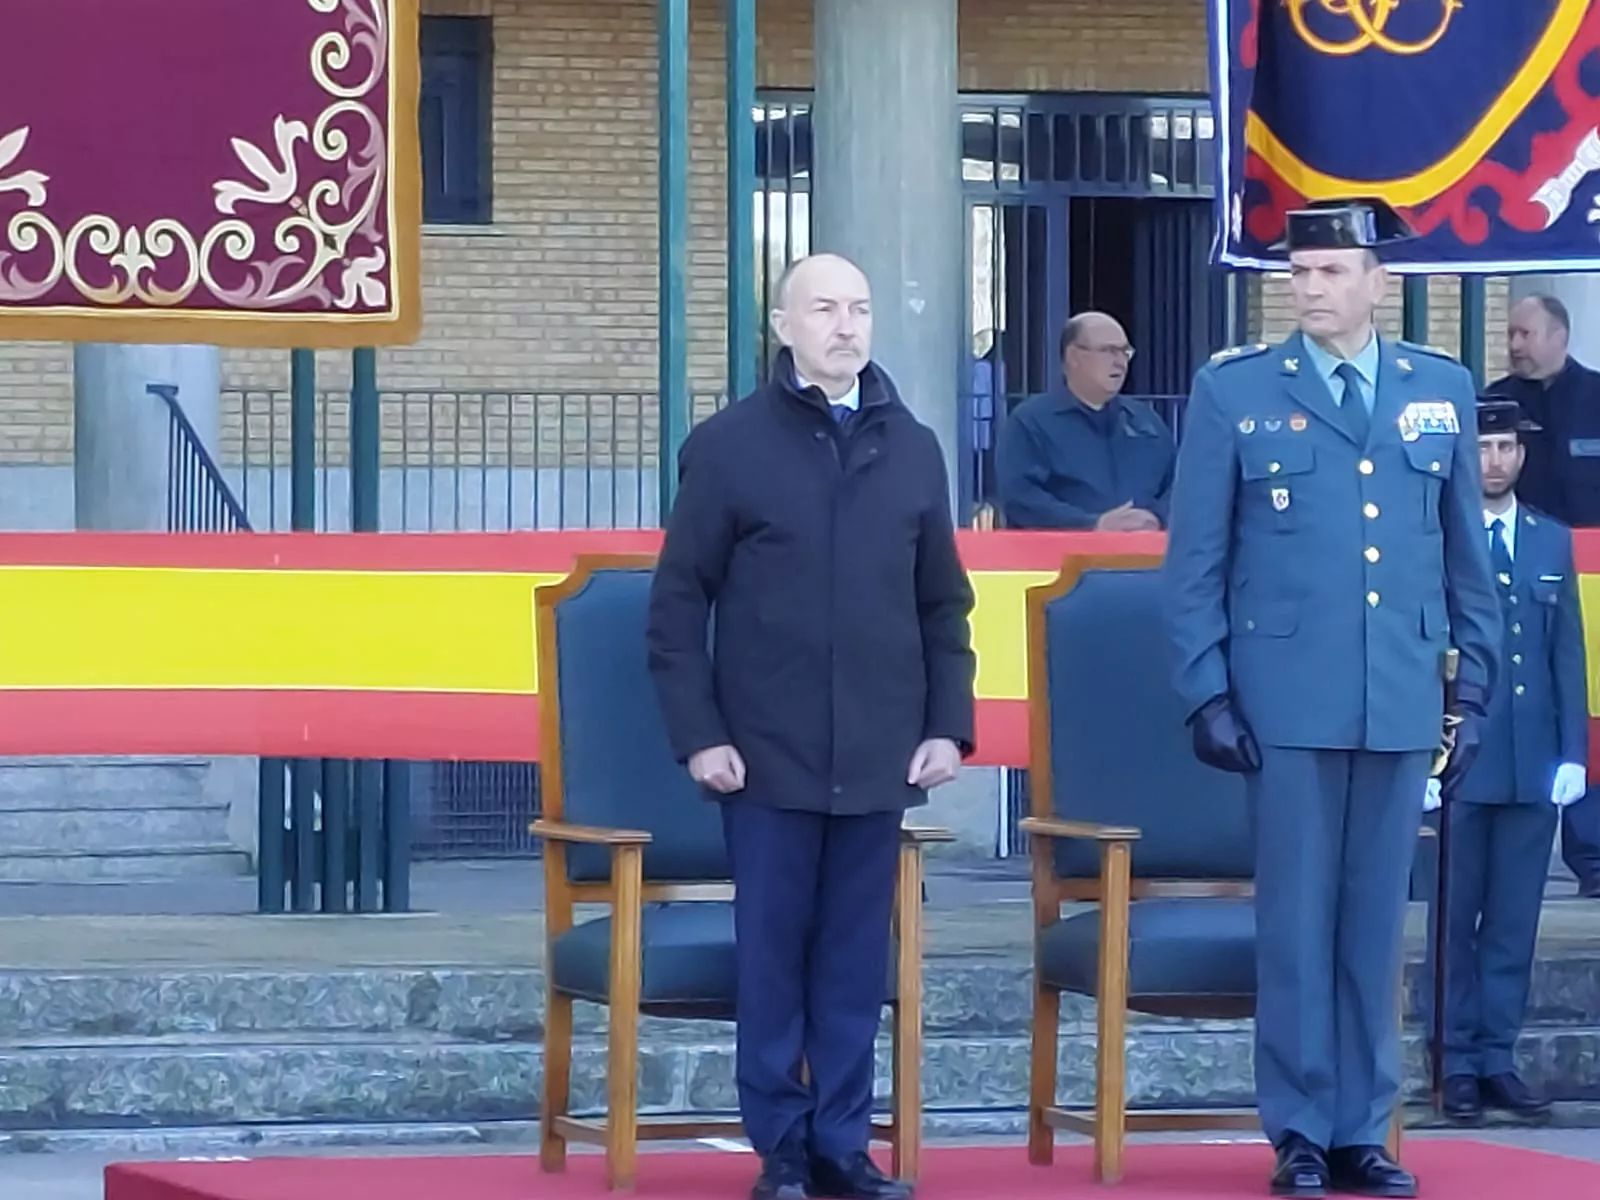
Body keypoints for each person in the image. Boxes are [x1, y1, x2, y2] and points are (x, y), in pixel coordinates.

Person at [1163, 198, 1501, 1199]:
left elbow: (1464, 561)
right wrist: (1205, 691)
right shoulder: (1237, 393)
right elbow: (1195, 561)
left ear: (1374, 281)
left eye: (1326, 271)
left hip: (1397, 694)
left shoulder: (1435, 390)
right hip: (1285, 699)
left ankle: (1363, 1128)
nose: (1306, 287)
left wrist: (1471, 690)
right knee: (1297, 924)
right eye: (1297, 271)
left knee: (1371, 926)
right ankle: (1300, 1128)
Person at [645, 252, 977, 1200]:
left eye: (861, 308)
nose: (846, 325)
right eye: (824, 308)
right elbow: (677, 607)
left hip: (878, 752)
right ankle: (780, 1147)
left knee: (851, 962)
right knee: (774, 957)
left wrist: (947, 727)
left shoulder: (912, 447)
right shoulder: (729, 447)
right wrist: (699, 734)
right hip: (764, 756)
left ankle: (842, 1143)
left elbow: (941, 606)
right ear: (783, 326)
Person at [1434, 397, 1587, 1125]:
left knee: (1514, 921)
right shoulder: (1436, 536)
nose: (1496, 461)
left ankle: (1498, 1057)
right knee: (1454, 918)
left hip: (1529, 758)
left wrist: (1573, 753)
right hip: (1460, 756)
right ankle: (1454, 1060)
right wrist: (1421, 758)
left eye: (1507, 448)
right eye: (1484, 447)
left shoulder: (1550, 541)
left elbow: (1567, 655)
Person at [1485, 293, 1600, 897]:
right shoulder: (1494, 403)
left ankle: (1593, 855)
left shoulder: (1598, 397)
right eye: (1511, 334)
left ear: (1560, 334)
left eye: (1525, 333)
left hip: (1596, 584)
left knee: (1589, 710)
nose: (1515, 345)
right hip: (1518, 576)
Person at [995, 311, 1174, 530]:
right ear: (1074, 357)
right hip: (1065, 558)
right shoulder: (1031, 422)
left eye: (1125, 351)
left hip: (1144, 557)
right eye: (1109, 351)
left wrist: (1156, 518)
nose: (1121, 362)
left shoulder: (1145, 421)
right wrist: (1092, 525)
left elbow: (1178, 484)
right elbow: (1020, 497)